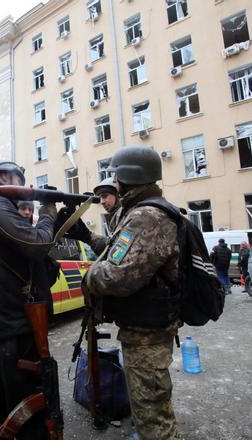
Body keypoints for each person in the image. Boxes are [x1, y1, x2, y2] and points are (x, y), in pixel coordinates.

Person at [82, 146, 181, 440]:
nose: (114, 183)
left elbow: (117, 276)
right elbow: (122, 252)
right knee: (150, 401)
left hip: (147, 332)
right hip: (146, 327)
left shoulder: (147, 216)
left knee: (151, 409)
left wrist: (89, 275)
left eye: (116, 176)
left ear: (128, 177)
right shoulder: (144, 210)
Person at [0, 160, 57, 439]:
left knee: (4, 399)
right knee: (29, 408)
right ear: (2, 177)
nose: (23, 186)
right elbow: (38, 244)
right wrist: (48, 214)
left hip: (7, 323)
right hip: (14, 325)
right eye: (18, 179)